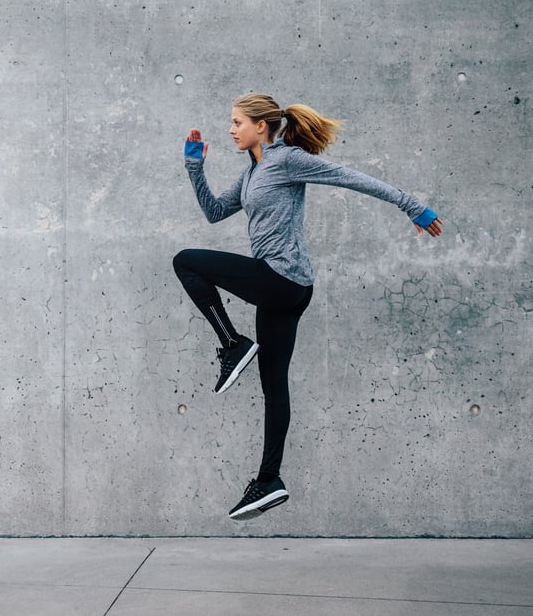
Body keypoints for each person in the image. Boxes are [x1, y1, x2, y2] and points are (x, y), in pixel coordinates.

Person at [173, 93, 444, 521]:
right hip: (287, 288)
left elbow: (350, 177)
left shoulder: (286, 160)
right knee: (274, 387)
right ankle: (269, 480)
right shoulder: (253, 174)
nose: (231, 130)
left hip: (280, 279)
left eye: (237, 122)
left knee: (186, 261)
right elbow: (214, 212)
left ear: (261, 126)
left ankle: (233, 344)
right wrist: (194, 166)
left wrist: (414, 206)